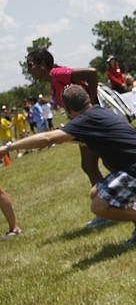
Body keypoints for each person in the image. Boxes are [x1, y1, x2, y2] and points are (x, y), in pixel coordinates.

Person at [1, 85, 136, 246]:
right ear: (88, 99)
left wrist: (9, 147)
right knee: (95, 193)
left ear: (67, 110)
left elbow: (47, 138)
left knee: (99, 207)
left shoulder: (85, 120)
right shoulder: (98, 112)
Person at [26, 49, 109, 229]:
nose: (28, 70)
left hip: (91, 123)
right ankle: (107, 207)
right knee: (89, 165)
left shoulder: (58, 74)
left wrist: (93, 102)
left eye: (30, 65)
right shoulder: (53, 82)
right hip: (83, 125)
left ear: (42, 64)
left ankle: (117, 205)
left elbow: (91, 73)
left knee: (105, 162)